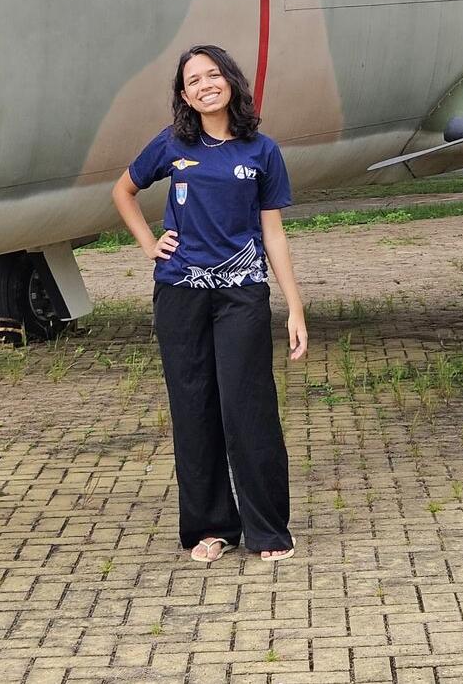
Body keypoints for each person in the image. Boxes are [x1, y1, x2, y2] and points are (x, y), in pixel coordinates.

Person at [112, 43, 308, 563]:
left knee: (249, 408)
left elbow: (274, 233)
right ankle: (211, 527)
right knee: (194, 409)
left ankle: (268, 530)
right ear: (184, 94)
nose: (204, 85)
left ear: (230, 81)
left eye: (212, 75)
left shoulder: (261, 150)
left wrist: (295, 306)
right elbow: (123, 191)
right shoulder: (173, 143)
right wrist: (149, 243)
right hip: (179, 294)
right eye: (193, 80)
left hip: (242, 294)